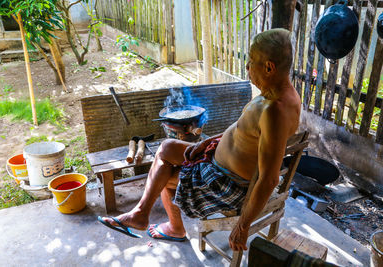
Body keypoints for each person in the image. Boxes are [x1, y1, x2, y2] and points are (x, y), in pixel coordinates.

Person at [99, 28, 301, 251]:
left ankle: (169, 226)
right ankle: (140, 213)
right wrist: (209, 141)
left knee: (163, 179)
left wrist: (243, 226)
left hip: (226, 183)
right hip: (218, 161)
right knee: (166, 147)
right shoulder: (282, 94)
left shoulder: (274, 110)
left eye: (251, 62)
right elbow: (248, 130)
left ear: (269, 67)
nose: (247, 68)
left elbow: (269, 179)